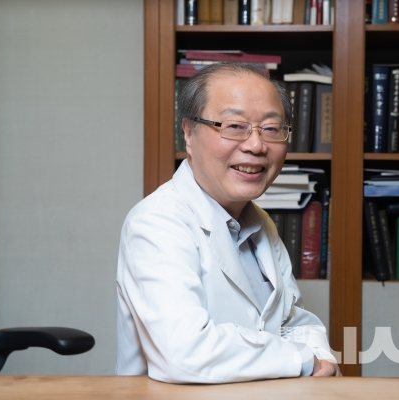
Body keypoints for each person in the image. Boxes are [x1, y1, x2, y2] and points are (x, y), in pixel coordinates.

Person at [115, 62, 340, 383]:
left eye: (272, 128)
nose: (256, 145)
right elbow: (184, 354)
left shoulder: (260, 222)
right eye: (234, 126)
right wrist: (302, 360)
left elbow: (293, 321)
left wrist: (322, 357)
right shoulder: (156, 222)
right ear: (188, 133)